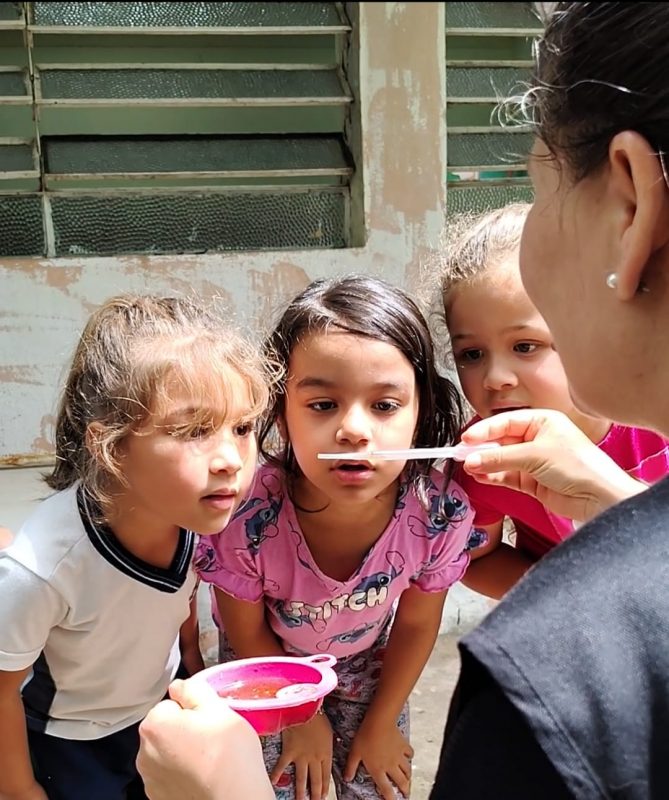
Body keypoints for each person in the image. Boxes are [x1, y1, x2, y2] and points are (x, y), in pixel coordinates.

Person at [136, 2, 669, 797]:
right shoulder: (260, 517)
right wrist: (613, 515)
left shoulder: (538, 676)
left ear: (628, 202)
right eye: (472, 351)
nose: (354, 430)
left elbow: (425, 614)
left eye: (537, 192)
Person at [194, 275, 476, 800]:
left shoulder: (438, 513)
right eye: (323, 405)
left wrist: (382, 721)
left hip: (370, 669)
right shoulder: (246, 515)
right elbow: (243, 629)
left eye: (385, 406)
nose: (354, 430)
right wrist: (300, 717)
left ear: (420, 412)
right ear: (281, 414)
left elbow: (416, 623)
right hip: (269, 665)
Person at [0, 295, 269, 800]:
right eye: (194, 430)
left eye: (242, 427)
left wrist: (191, 661)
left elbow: (179, 596)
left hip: (157, 717)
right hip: (70, 742)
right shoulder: (42, 567)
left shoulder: (197, 516)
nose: (231, 459)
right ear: (111, 445)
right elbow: (1, 687)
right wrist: (18, 788)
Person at [439, 203, 669, 598]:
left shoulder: (655, 413)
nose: (495, 378)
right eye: (471, 354)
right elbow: (477, 558)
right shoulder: (480, 462)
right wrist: (567, 595)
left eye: (525, 346)